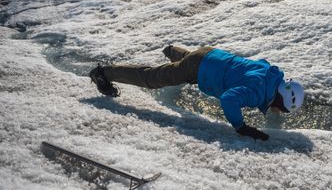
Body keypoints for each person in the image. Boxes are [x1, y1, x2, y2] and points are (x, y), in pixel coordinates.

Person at [89, 45, 305, 141]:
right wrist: (241, 127)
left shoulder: (270, 75)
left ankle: (172, 50)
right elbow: (229, 99)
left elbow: (261, 63)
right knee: (152, 78)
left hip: (210, 54)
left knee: (188, 63)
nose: (277, 111)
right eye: (280, 108)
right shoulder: (257, 93)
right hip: (197, 68)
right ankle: (103, 72)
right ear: (279, 98)